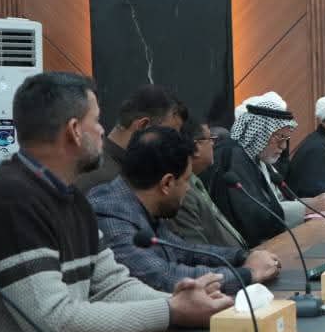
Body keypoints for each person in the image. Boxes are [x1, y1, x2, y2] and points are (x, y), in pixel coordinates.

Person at [0, 73, 231, 332]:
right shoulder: (8, 202)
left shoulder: (70, 198)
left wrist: (186, 303)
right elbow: (55, 321)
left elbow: (113, 285)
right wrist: (172, 310)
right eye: (96, 121)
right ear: (74, 131)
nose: (102, 131)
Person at [90, 127, 281, 296]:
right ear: (167, 183)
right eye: (186, 180)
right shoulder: (110, 214)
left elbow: (184, 251)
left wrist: (242, 257)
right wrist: (248, 273)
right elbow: (162, 278)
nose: (188, 188)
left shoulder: (141, 203)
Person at [208, 92, 325, 247]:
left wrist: (314, 202)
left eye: (286, 139)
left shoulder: (257, 156)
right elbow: (256, 216)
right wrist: (309, 207)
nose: (283, 147)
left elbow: (277, 203)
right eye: (279, 138)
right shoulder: (234, 157)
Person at [75, 84, 186, 193]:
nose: (173, 144)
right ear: (143, 126)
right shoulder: (111, 182)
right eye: (168, 134)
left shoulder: (88, 161)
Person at [173, 118, 247, 248]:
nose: (213, 144)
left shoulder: (196, 180)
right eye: (210, 139)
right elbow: (198, 247)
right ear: (196, 147)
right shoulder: (184, 192)